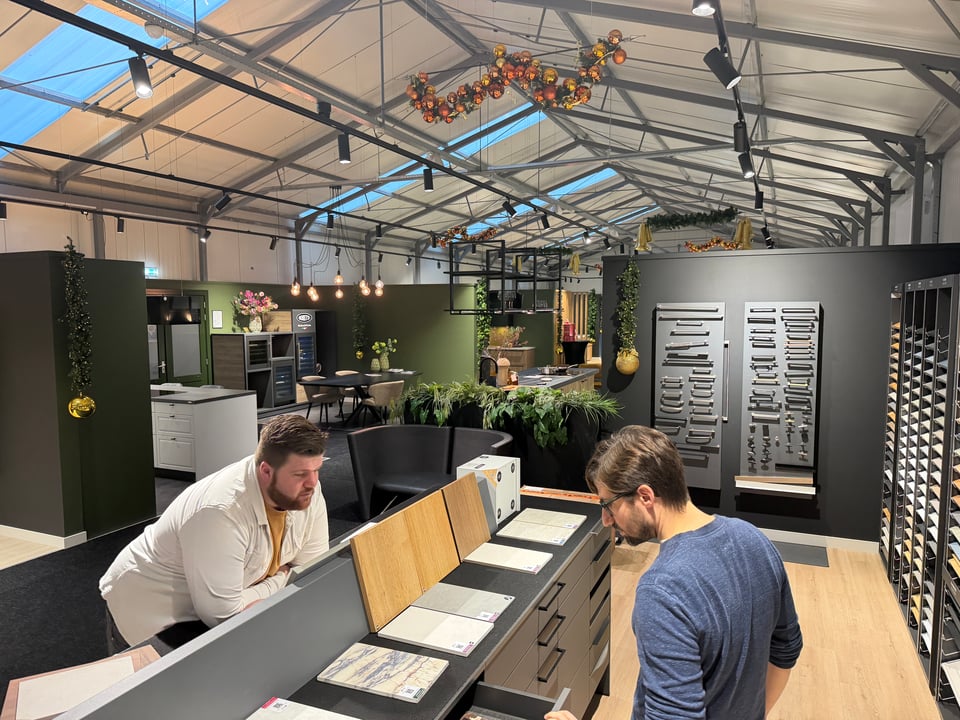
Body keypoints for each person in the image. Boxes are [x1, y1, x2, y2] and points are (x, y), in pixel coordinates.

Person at [546, 425, 802, 720]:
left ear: (645, 497)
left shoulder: (662, 591)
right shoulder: (754, 539)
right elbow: (786, 650)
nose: (606, 520)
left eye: (609, 505)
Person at [100, 414, 329, 647]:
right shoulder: (219, 512)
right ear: (266, 471)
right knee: (167, 682)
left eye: (316, 470)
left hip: (212, 603)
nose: (312, 482)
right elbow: (224, 616)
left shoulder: (306, 490)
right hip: (153, 610)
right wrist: (282, 578)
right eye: (300, 474)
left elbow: (313, 571)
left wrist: (259, 593)